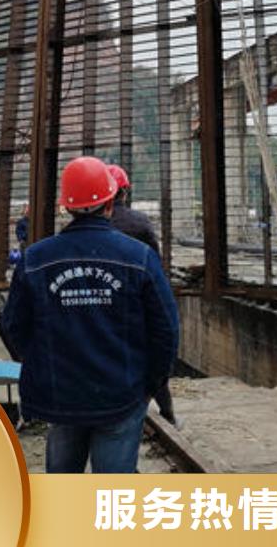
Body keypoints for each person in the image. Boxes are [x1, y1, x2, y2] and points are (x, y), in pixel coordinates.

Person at [1, 156, 179, 473]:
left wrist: (45, 368)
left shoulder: (35, 259)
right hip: (120, 394)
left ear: (65, 206)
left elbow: (15, 326)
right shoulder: (139, 257)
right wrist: (149, 385)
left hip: (61, 395)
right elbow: (166, 330)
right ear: (110, 203)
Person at [107, 164, 178, 427]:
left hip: (103, 302)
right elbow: (154, 264)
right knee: (152, 356)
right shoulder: (139, 222)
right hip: (137, 300)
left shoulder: (88, 228)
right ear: (124, 192)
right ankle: (167, 412)